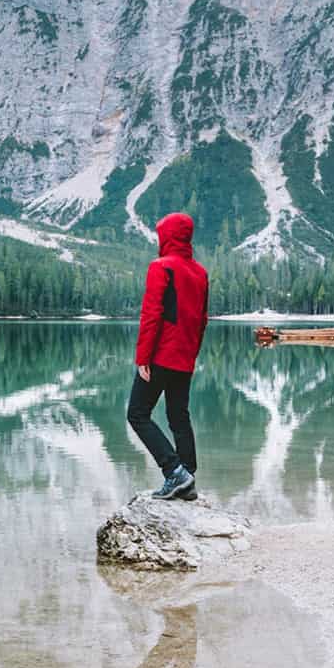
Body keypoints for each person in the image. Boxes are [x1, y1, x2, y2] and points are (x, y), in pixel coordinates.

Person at [129, 212, 207, 500]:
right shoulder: (200, 272)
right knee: (178, 416)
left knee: (137, 414)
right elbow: (202, 320)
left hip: (161, 355)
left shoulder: (161, 267)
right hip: (185, 356)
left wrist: (142, 358)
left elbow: (152, 315)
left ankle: (175, 472)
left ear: (168, 236)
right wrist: (191, 355)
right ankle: (188, 477)